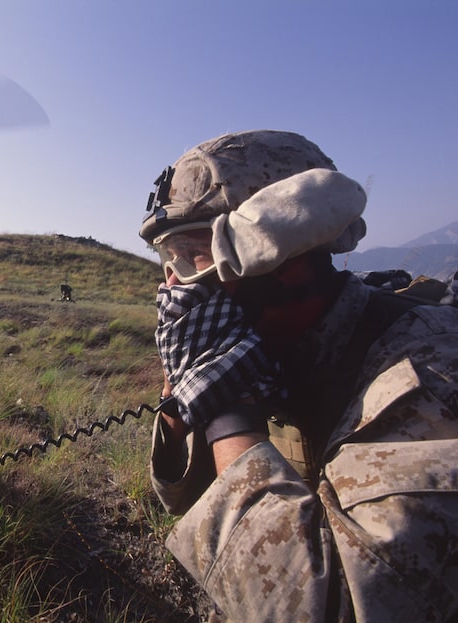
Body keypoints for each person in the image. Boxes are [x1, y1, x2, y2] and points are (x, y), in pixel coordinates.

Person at [140, 130, 458, 622]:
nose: (174, 284)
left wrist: (224, 410)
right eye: (168, 256)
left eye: (193, 252)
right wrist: (184, 413)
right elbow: (186, 503)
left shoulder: (424, 371)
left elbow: (339, 609)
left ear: (280, 256)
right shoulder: (268, 351)